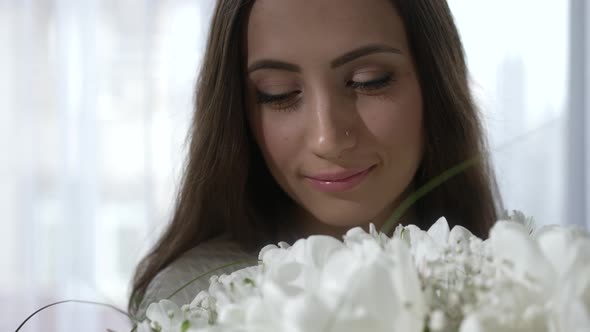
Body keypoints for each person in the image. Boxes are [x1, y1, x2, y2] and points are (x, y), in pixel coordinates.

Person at [128, 0, 501, 320]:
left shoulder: (512, 279)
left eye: (369, 80)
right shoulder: (194, 298)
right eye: (279, 94)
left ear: (434, 83)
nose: (327, 139)